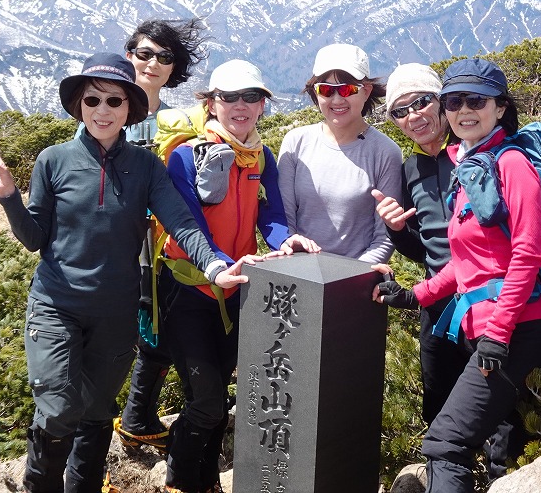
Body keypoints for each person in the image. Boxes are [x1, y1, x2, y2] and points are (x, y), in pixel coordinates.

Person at [0, 52, 250, 493]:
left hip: (117, 313)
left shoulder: (145, 165)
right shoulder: (53, 160)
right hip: (56, 305)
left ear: (129, 108)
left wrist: (214, 266)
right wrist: (8, 196)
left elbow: (180, 222)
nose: (102, 110)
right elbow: (35, 237)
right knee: (59, 409)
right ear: (79, 105)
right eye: (92, 100)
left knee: (97, 411)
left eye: (114, 101)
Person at [372, 58, 541, 493]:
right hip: (480, 322)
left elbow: (527, 254)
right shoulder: (471, 165)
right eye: (455, 101)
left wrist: (499, 333)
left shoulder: (511, 163)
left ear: (500, 107)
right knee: (453, 436)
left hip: (512, 326)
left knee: (447, 442)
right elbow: (468, 260)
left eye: (476, 100)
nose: (464, 110)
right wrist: (417, 294)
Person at [159, 59, 319, 493]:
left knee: (216, 397)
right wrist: (222, 263)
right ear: (211, 104)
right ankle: (180, 480)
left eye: (252, 97)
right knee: (207, 400)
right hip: (188, 290)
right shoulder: (185, 156)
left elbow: (272, 215)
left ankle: (207, 480)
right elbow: (187, 225)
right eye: (229, 97)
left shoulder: (260, 156)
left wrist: (285, 240)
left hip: (237, 291)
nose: (241, 105)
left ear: (263, 105)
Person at [113, 19, 209, 451]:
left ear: (174, 67)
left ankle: (138, 415)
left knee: (159, 323)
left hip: (166, 243)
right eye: (144, 53)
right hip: (123, 243)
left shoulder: (175, 120)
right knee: (132, 327)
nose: (153, 63)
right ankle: (123, 417)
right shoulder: (109, 108)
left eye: (164, 57)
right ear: (129, 55)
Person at [370, 64, 470, 426]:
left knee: (499, 414)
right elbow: (423, 251)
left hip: (487, 299)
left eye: (422, 102)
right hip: (437, 305)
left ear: (441, 101)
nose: (413, 116)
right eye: (400, 110)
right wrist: (396, 229)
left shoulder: (474, 154)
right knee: (439, 410)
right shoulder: (410, 169)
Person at [277, 43, 402, 263]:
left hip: (357, 274)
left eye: (347, 89)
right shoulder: (296, 142)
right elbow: (285, 223)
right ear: (316, 93)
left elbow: (384, 239)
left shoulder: (385, 152)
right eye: (326, 90)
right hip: (298, 271)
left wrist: (349, 277)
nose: (336, 100)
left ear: (366, 91)